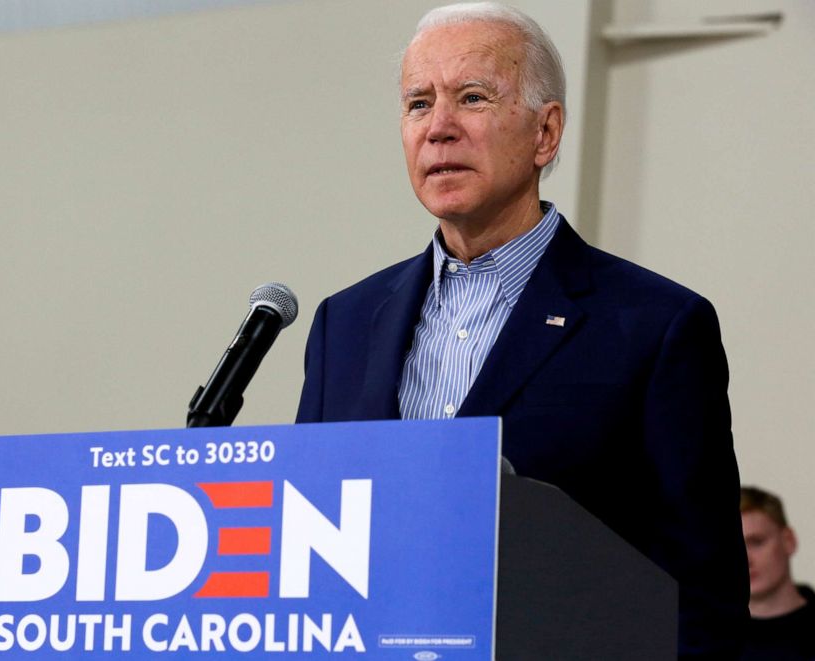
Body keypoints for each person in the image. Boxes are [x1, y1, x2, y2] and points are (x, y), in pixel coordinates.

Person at [295, 2, 748, 657]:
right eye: (419, 103)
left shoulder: (655, 327)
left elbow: (702, 597)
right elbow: (310, 544)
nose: (439, 128)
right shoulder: (345, 322)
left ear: (546, 132)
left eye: (472, 97)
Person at [740, 486, 815, 660]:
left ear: (788, 540)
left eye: (756, 542)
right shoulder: (705, 641)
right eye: (733, 549)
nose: (746, 560)